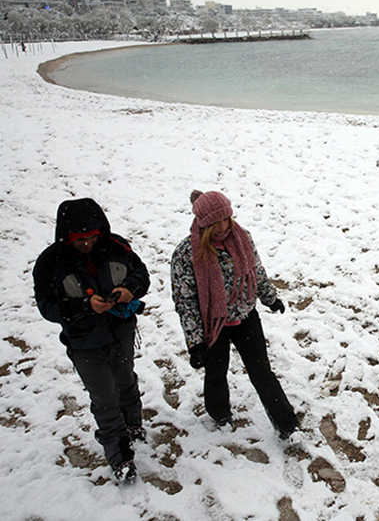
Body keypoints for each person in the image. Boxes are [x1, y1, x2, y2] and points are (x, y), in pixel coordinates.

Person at [33, 198, 150, 485]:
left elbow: (141, 275)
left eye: (91, 237)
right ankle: (119, 456)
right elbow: (47, 306)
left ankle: (133, 424)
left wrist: (128, 290)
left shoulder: (116, 247)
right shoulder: (50, 264)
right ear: (66, 237)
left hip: (120, 331)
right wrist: (85, 306)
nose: (86, 243)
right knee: (104, 397)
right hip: (84, 342)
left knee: (125, 381)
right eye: (79, 239)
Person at [170, 190, 298, 439]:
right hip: (212, 324)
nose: (221, 227)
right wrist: (195, 342)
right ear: (202, 222)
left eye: (225, 219)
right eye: (215, 221)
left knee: (262, 373)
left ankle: (287, 425)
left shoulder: (242, 238)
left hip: (246, 317)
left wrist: (270, 298)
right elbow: (184, 299)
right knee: (216, 373)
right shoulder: (187, 253)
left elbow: (256, 270)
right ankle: (220, 414)